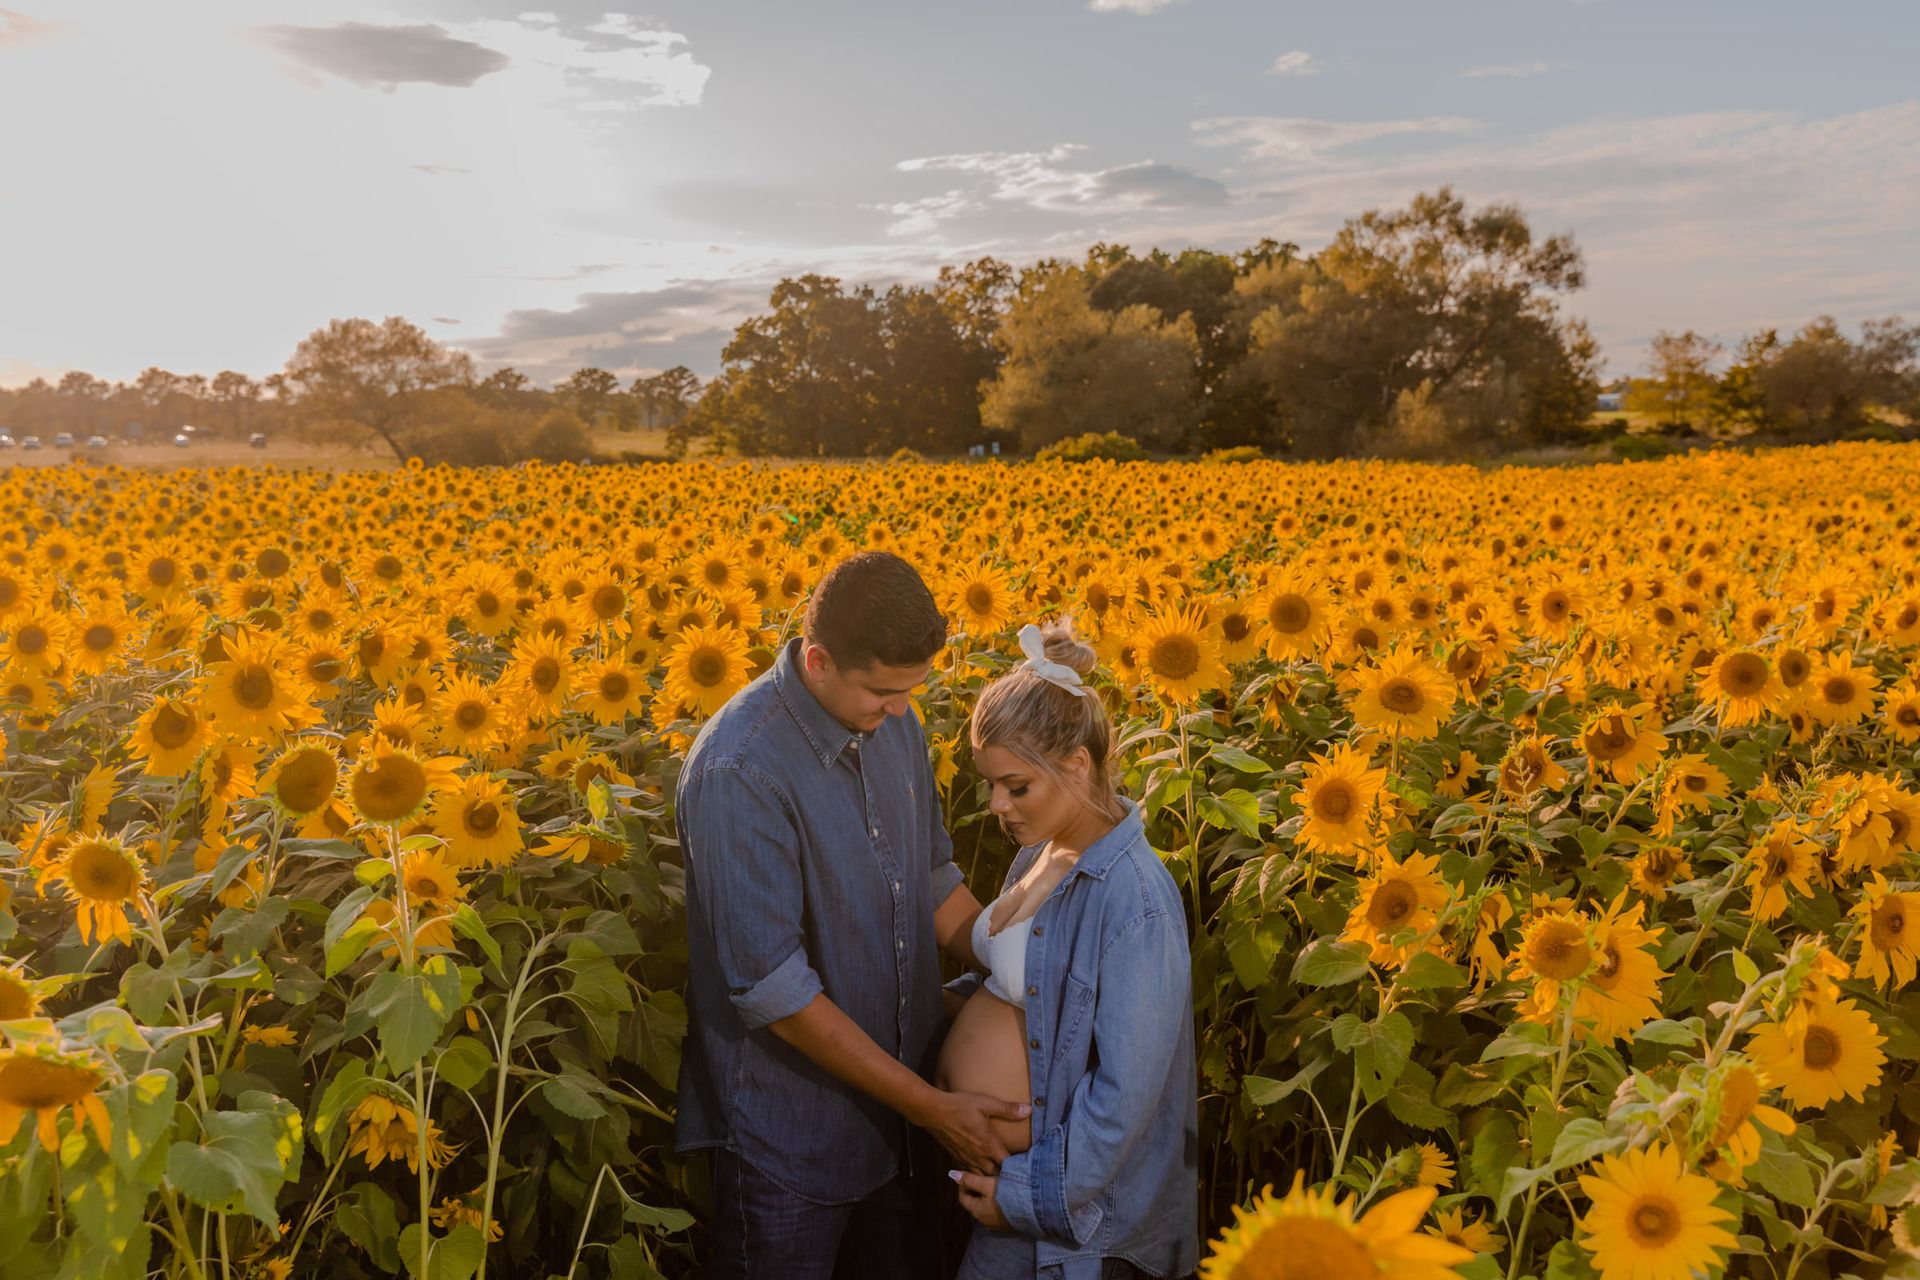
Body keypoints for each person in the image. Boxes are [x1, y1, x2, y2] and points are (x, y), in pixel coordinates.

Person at [675, 551, 1031, 1280]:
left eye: (910, 691)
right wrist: (933, 1108)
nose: (899, 709)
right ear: (817, 660)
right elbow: (778, 996)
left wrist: (1025, 965)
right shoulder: (739, 771)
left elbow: (932, 877)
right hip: (788, 1141)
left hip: (896, 1120)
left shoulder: (891, 721)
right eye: (881, 692)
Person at [938, 619, 1199, 1279]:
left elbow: (1123, 1098)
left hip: (1075, 1228)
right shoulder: (1038, 849)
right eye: (990, 783)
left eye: (1015, 785)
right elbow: (1018, 986)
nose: (997, 804)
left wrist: (1028, 1198)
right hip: (1013, 1197)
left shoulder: (1134, 901)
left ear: (1077, 765)